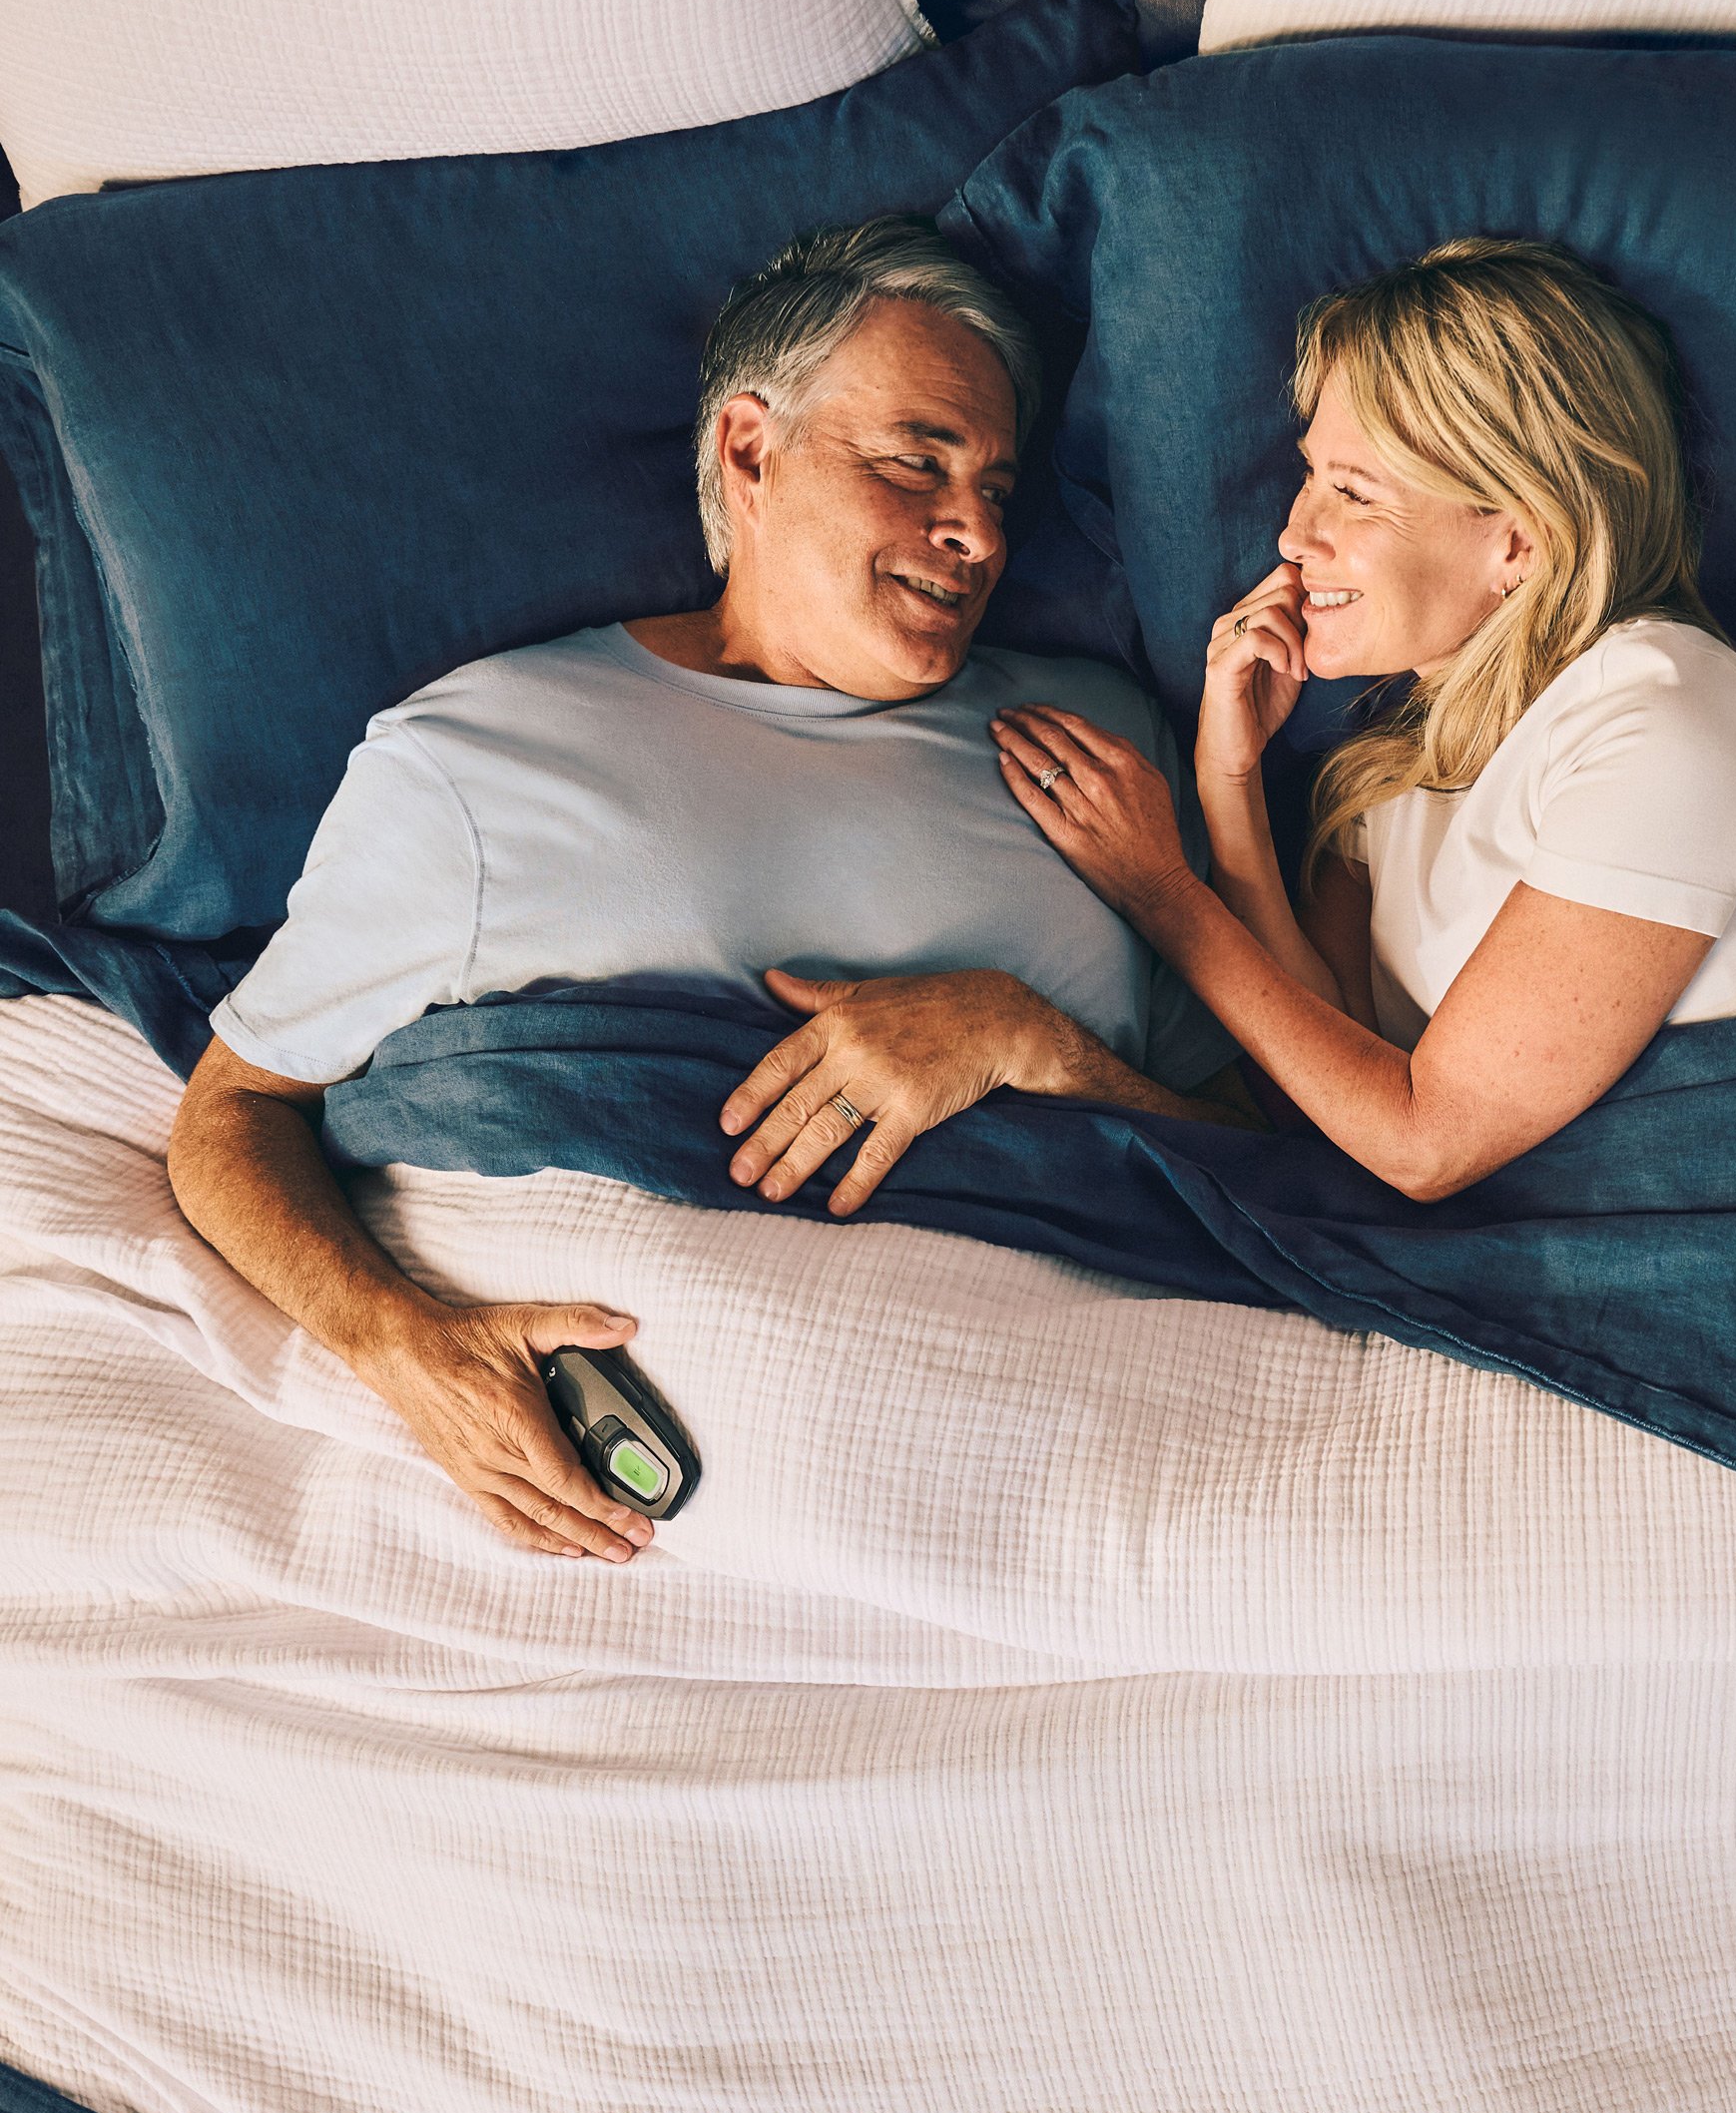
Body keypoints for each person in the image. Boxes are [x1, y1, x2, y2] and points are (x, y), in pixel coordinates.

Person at [167, 217, 1250, 1566]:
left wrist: (1028, 1044)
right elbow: (234, 1113)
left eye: (998, 489)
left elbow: (1262, 1160)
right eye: (919, 463)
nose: (973, 530)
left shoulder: (1099, 741)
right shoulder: (480, 760)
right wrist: (404, 1349)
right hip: (651, 1520)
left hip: (1115, 1475)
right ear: (751, 451)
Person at [987, 235, 1736, 1201]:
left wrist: (1162, 891)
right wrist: (1227, 781)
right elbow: (1322, 1082)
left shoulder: (1664, 724)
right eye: (1310, 475)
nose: (1294, 533)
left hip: (1721, 1208)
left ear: (1519, 541)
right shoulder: (1399, 760)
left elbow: (1422, 1145)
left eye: (1353, 493)